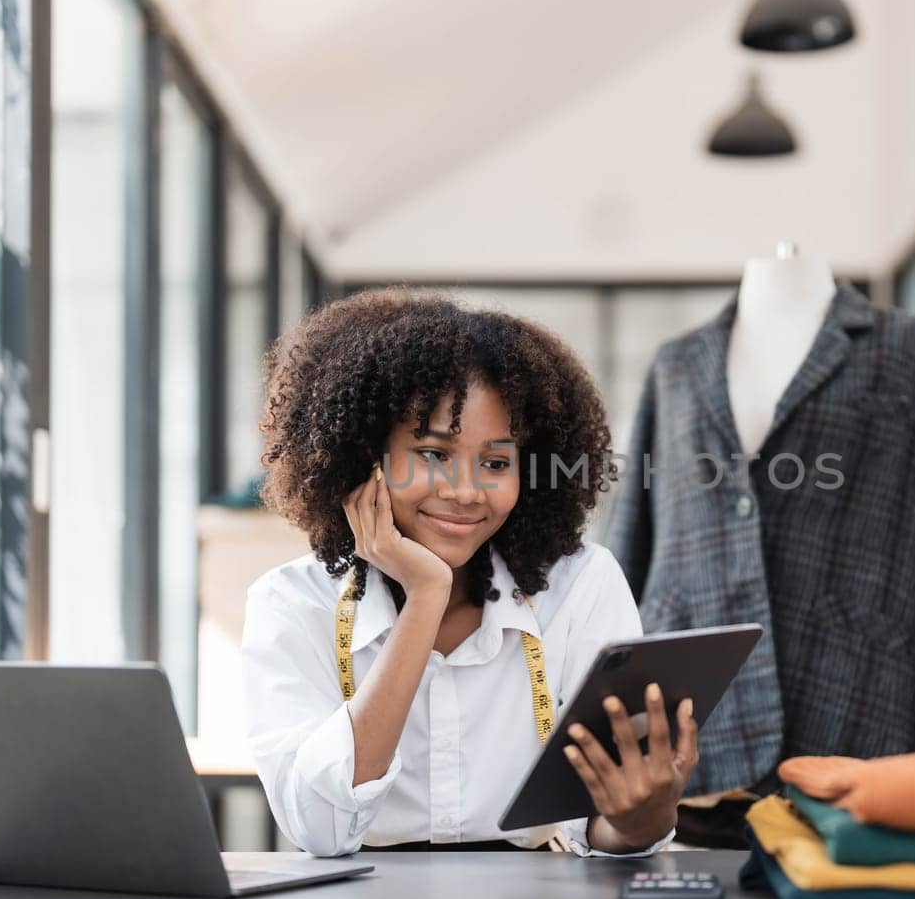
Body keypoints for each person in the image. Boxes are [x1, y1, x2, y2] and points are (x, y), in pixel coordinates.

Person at [242, 288, 697, 856]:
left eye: (496, 463)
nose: (465, 491)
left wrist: (641, 820)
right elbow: (321, 830)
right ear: (363, 457)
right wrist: (425, 596)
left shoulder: (579, 587)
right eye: (433, 454)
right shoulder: (292, 604)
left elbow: (598, 829)